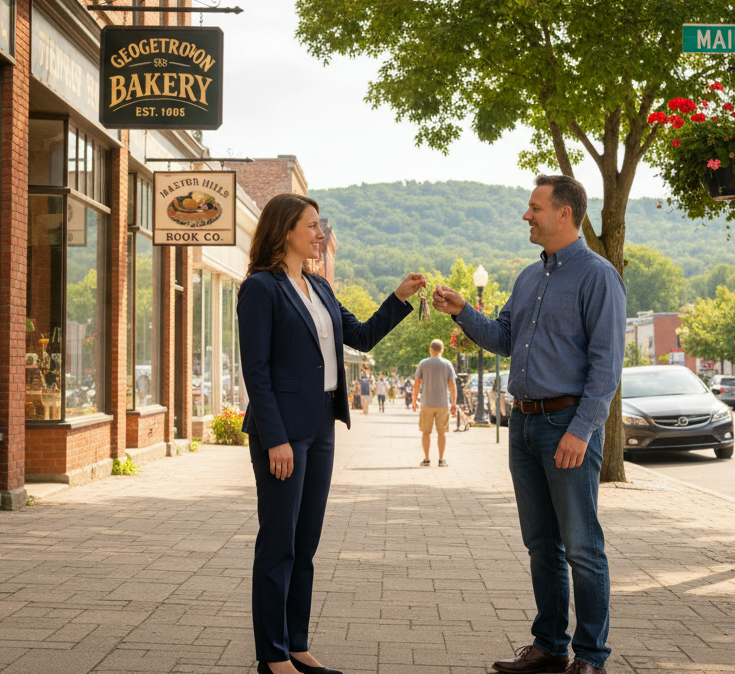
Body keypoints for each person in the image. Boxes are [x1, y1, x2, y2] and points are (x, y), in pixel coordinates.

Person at [434, 174, 626, 674]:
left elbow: (606, 367)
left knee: (582, 545)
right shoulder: (527, 277)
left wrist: (582, 430)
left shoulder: (598, 276)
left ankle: (590, 657)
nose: (527, 215)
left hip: (567, 424)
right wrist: (461, 312)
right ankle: (549, 647)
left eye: (535, 207)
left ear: (565, 213)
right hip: (523, 425)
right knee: (541, 543)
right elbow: (503, 337)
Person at [237, 193, 424, 674]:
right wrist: (275, 438)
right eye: (313, 226)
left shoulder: (318, 287)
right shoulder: (261, 288)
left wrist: (399, 297)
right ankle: (271, 655)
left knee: (307, 542)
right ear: (285, 231)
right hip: (282, 430)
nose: (321, 234)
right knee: (278, 542)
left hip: (322, 424)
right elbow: (255, 371)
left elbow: (359, 335)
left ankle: (296, 644)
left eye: (321, 227)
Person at [412, 339, 457, 467]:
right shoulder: (447, 364)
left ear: (430, 349)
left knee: (426, 432)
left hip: (427, 403)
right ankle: (441, 459)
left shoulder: (423, 363)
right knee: (441, 432)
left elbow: (417, 383)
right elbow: (452, 385)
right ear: (442, 350)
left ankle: (426, 459)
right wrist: (453, 403)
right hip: (442, 404)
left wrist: (414, 401)